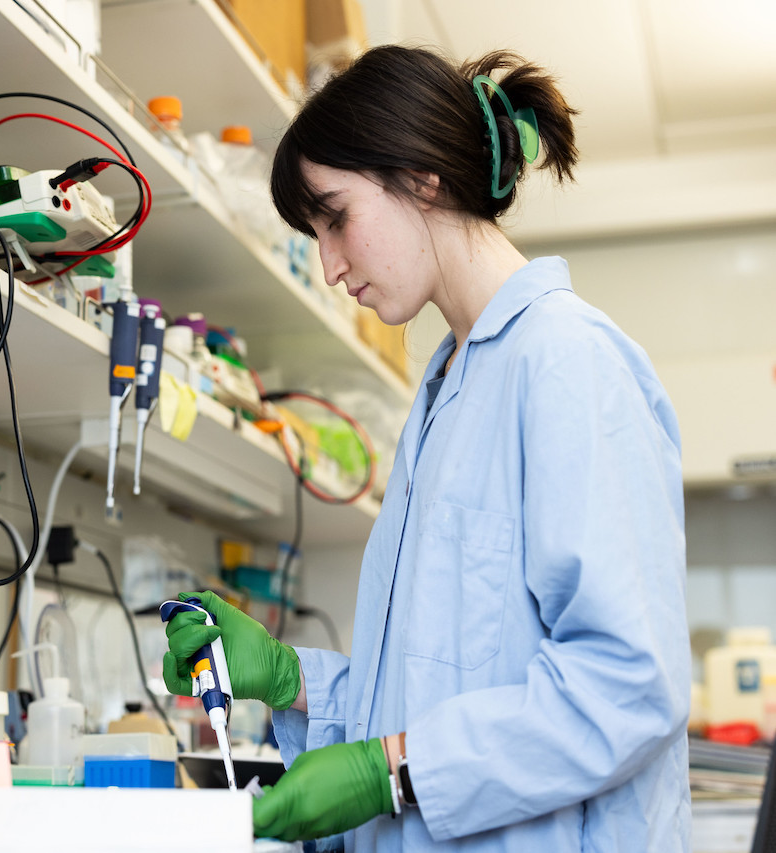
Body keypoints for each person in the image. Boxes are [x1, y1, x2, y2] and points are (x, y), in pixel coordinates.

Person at [163, 44, 691, 851]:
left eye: (335, 217)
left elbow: (626, 685)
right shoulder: (449, 387)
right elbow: (429, 693)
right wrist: (288, 676)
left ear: (421, 177)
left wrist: (391, 772)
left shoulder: (565, 362)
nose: (331, 265)